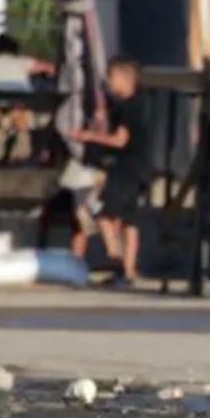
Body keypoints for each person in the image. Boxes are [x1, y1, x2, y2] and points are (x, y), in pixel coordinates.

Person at [69, 57, 150, 287]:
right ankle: (129, 272)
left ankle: (115, 257)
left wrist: (89, 136)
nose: (109, 82)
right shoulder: (143, 103)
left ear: (126, 80)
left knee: (104, 213)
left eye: (112, 77)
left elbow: (119, 140)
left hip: (125, 167)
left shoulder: (128, 107)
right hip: (142, 167)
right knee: (130, 221)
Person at [0, 33, 56, 164]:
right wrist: (50, 71)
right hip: (21, 96)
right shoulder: (23, 61)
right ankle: (22, 138)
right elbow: (48, 67)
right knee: (21, 118)